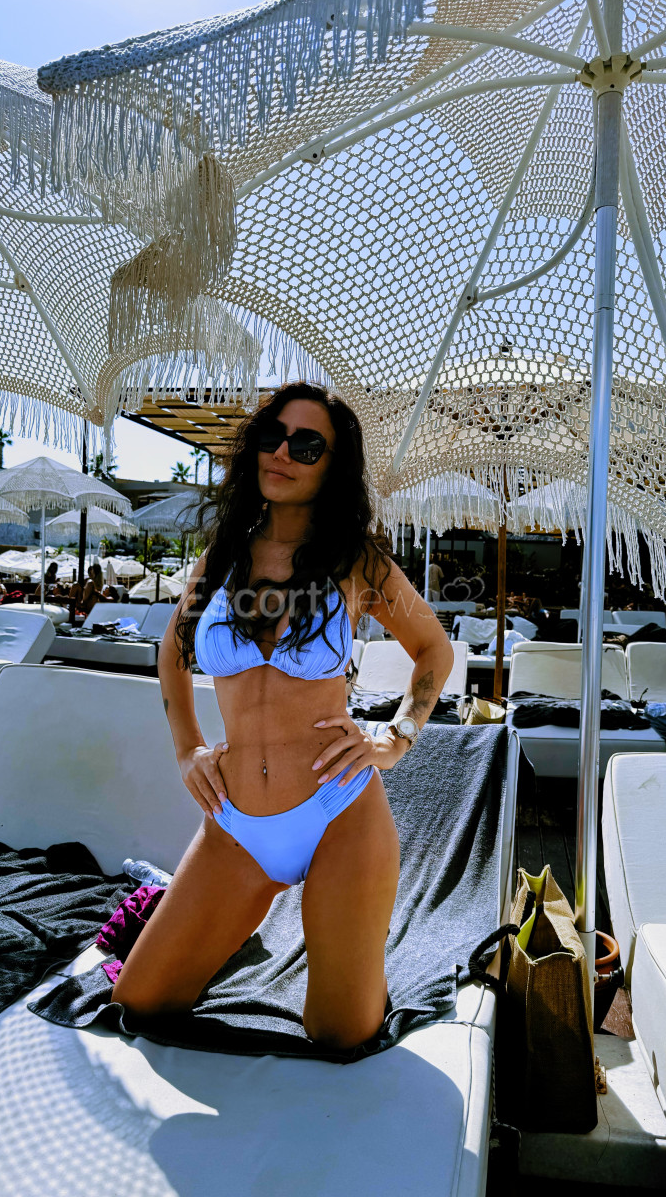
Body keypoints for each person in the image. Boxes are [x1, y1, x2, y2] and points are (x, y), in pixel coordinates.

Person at [111, 382, 455, 1049]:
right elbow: (171, 654)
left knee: (340, 1035)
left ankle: (356, 954)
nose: (283, 453)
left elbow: (433, 649)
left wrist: (397, 737)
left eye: (307, 445)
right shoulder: (221, 559)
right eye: (272, 436)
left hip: (340, 815)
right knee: (139, 1003)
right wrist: (187, 749)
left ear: (333, 466)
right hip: (235, 826)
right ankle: (267, 941)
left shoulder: (358, 561)